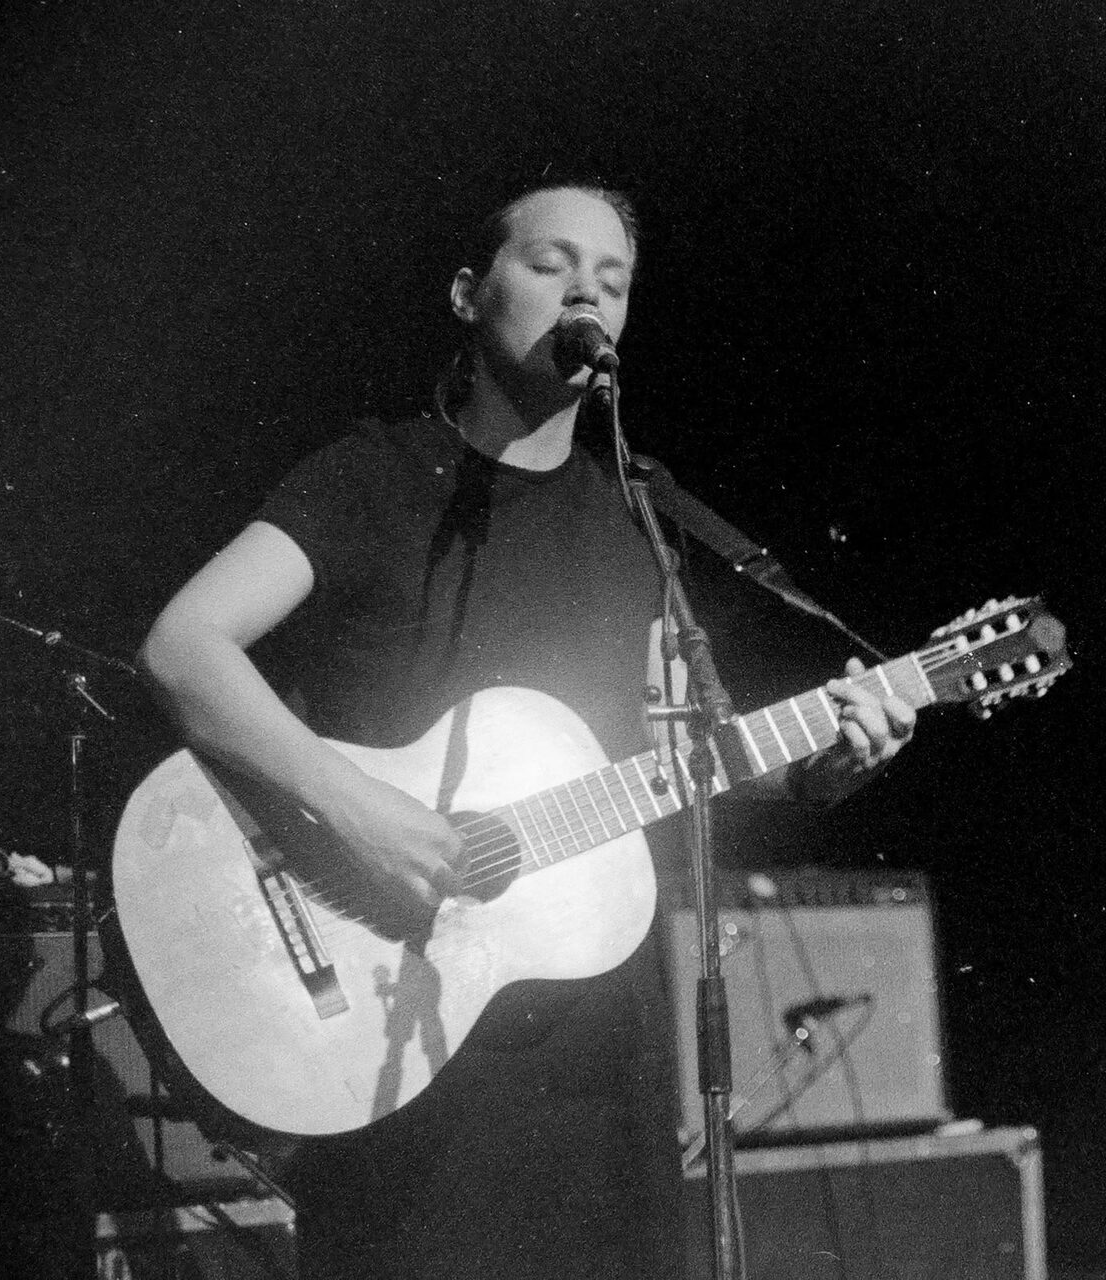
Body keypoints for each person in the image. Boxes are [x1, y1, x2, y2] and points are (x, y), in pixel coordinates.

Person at [137, 179, 916, 1278]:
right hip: (394, 1036)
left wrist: (819, 767)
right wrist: (365, 811)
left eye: (613, 281)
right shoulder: (371, 480)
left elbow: (670, 755)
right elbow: (185, 648)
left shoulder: (638, 518)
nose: (585, 294)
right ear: (469, 293)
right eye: (552, 266)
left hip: (595, 1053)